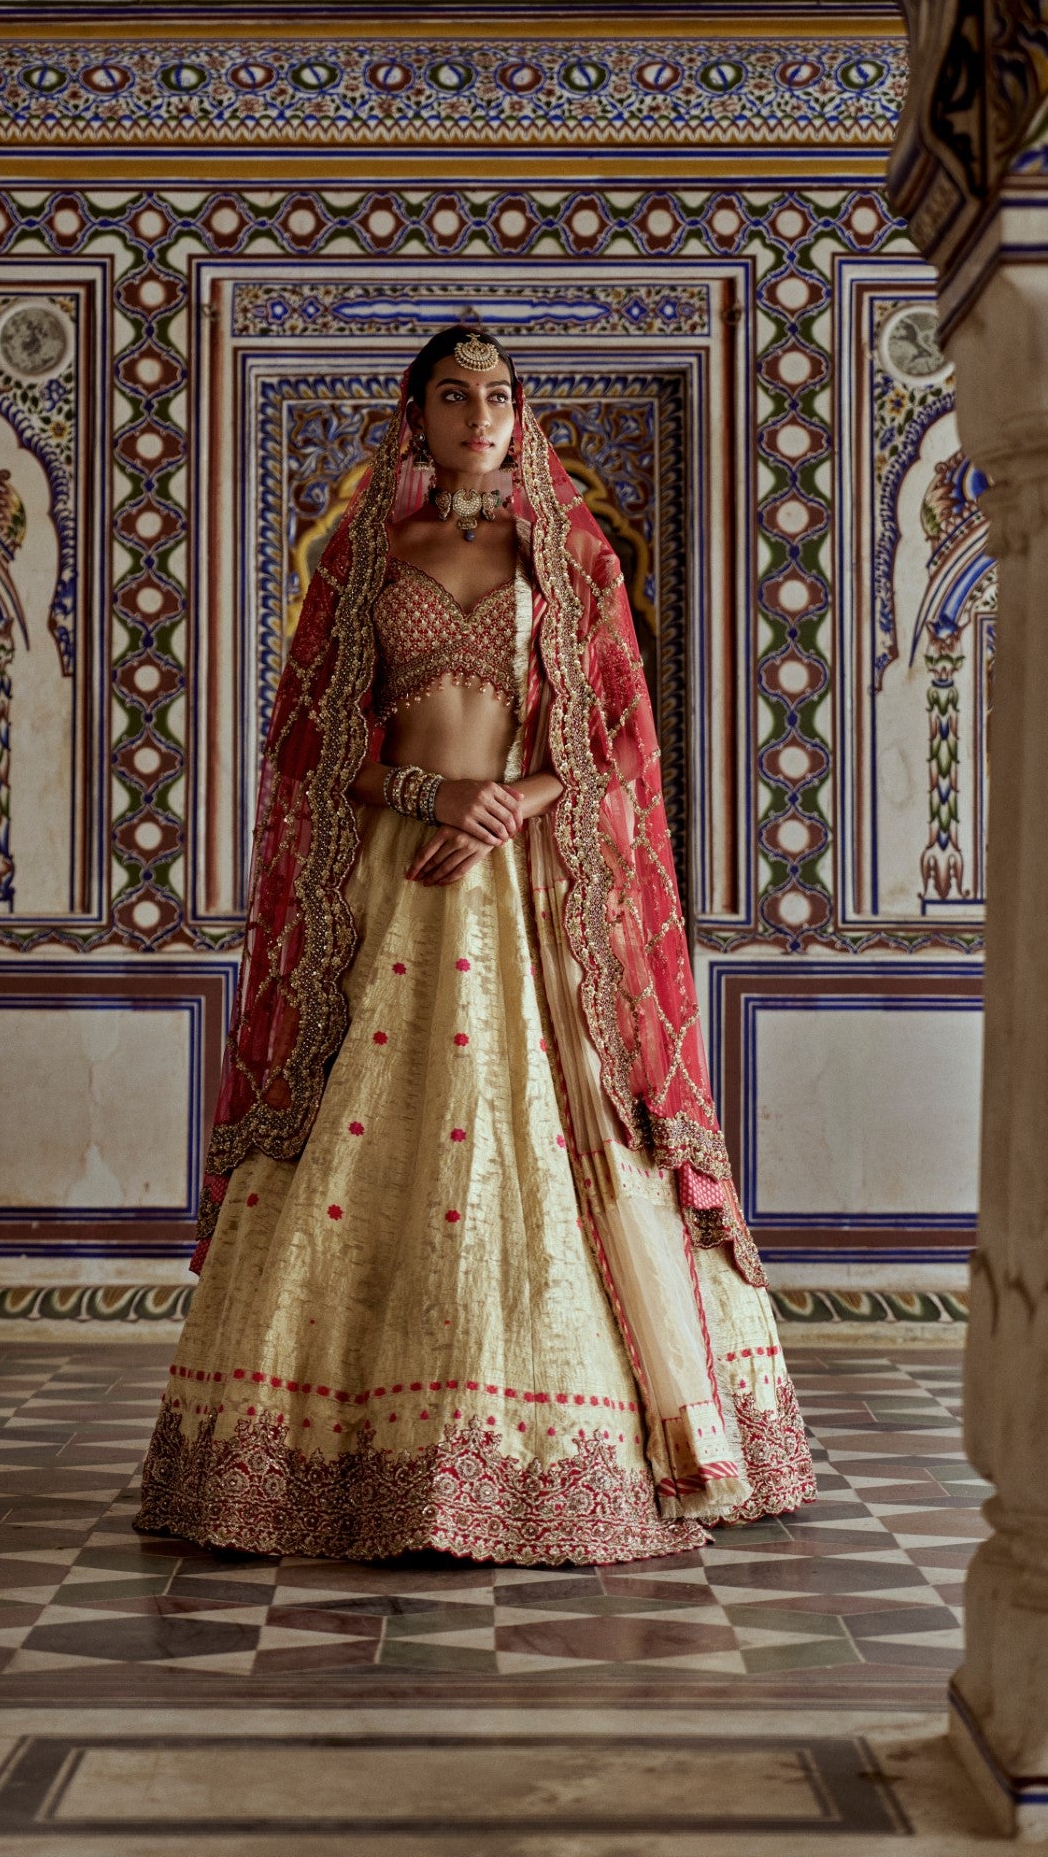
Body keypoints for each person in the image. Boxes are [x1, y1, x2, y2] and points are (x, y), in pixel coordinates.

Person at [134, 327, 815, 1565]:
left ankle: (587, 1456)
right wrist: (431, 799)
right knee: (365, 1121)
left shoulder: (571, 554)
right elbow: (309, 755)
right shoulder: (364, 559)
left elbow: (613, 745)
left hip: (535, 893)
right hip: (400, 882)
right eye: (455, 396)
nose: (481, 415)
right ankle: (341, 1466)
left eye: (499, 395)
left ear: (519, 412)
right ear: (416, 412)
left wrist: (509, 803)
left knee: (562, 1134)